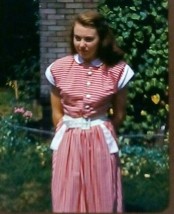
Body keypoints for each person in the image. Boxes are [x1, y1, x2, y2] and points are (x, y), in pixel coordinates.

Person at [45, 9, 134, 213]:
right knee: (68, 194)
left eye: (88, 39)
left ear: (101, 39)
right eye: (77, 38)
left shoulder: (116, 70)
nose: (82, 44)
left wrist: (99, 130)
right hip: (69, 139)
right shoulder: (58, 69)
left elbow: (119, 114)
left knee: (101, 194)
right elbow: (56, 112)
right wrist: (69, 134)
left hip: (100, 138)